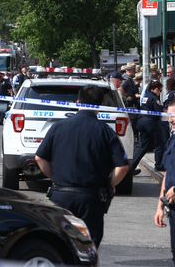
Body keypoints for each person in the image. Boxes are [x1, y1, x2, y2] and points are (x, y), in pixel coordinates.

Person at [35, 85, 129, 248]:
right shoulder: (105, 131)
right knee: (88, 247)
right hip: (90, 199)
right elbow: (122, 167)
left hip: (61, 195)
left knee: (59, 245)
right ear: (100, 105)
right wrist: (109, 184)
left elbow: (39, 158)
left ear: (78, 102)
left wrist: (55, 177)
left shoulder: (59, 127)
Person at [154, 101, 175, 265]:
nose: (171, 119)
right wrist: (160, 206)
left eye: (174, 116)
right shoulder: (172, 139)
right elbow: (167, 172)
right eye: (169, 115)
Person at [132, 80, 165, 175]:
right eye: (159, 89)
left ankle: (131, 166)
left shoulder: (145, 96)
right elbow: (159, 111)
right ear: (152, 89)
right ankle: (159, 165)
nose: (160, 91)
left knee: (143, 146)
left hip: (141, 121)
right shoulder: (154, 98)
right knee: (159, 143)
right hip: (151, 123)